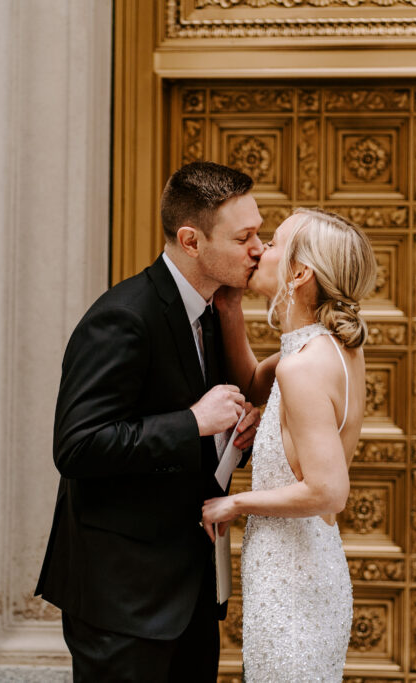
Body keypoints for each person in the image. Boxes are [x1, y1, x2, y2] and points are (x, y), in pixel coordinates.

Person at [34, 161, 264, 682]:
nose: (259, 249)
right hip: (123, 600)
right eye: (245, 236)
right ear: (191, 240)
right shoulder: (122, 316)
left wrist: (233, 436)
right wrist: (192, 422)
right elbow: (77, 445)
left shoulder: (212, 311)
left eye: (260, 233)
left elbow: (195, 437)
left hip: (190, 592)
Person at [202, 208, 377, 681]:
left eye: (274, 242)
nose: (260, 249)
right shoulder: (321, 348)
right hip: (301, 566)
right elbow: (251, 383)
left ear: (300, 274)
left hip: (294, 582)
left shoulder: (304, 367)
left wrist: (232, 503)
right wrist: (231, 307)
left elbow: (328, 492)